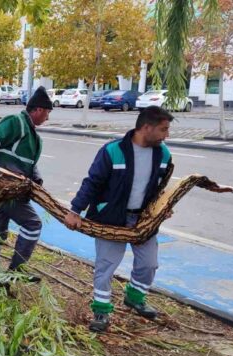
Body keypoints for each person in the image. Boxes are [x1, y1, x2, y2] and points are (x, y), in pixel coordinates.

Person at [65, 106, 174, 332]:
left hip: (143, 220)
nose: (166, 135)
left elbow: (161, 187)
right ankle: (101, 312)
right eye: (163, 129)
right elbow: (92, 182)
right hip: (111, 218)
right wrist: (75, 210)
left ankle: (135, 297)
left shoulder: (163, 154)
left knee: (149, 263)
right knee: (106, 266)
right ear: (146, 127)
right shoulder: (113, 151)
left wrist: (164, 208)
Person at [0, 86, 53, 282]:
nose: (48, 118)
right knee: (33, 224)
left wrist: (37, 180)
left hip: (12, 191)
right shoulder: (16, 122)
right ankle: (14, 272)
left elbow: (27, 164)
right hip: (1, 187)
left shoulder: (35, 137)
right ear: (38, 110)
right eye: (47, 113)